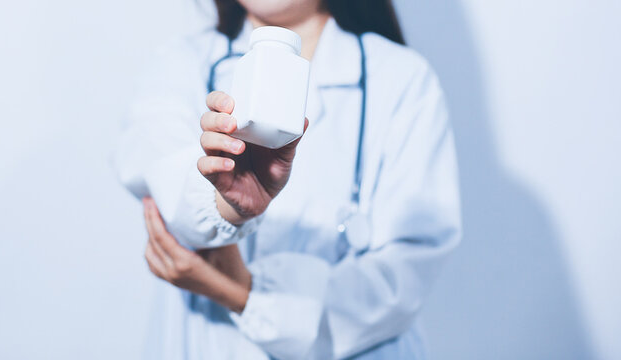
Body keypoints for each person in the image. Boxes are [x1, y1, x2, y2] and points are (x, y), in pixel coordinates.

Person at [114, 0, 461, 358]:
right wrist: (229, 205)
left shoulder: (402, 78)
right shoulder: (180, 63)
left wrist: (246, 294)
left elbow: (404, 274)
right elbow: (166, 184)